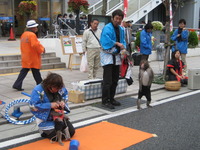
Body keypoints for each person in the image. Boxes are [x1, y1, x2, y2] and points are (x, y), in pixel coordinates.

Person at [30, 72, 75, 144]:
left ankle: (51, 130)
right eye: (56, 88)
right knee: (57, 136)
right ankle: (43, 131)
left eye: (59, 88)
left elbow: (65, 95)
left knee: (71, 132)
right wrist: (50, 105)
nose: (57, 90)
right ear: (49, 85)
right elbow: (33, 106)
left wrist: (62, 102)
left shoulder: (60, 87)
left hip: (58, 115)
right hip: (45, 118)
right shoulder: (38, 90)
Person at [100, 9, 126, 109]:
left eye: (120, 19)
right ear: (112, 18)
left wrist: (123, 47)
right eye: (116, 18)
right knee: (107, 80)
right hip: (107, 56)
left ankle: (112, 98)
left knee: (115, 79)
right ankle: (105, 100)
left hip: (117, 56)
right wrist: (116, 43)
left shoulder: (121, 29)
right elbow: (105, 41)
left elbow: (123, 40)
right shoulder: (107, 28)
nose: (118, 20)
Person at [12, 20, 45, 91]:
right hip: (32, 56)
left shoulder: (24, 34)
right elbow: (35, 45)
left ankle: (17, 84)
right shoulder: (32, 35)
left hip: (26, 56)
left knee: (25, 71)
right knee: (35, 70)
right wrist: (42, 49)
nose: (36, 28)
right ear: (32, 28)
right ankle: (41, 84)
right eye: (36, 27)